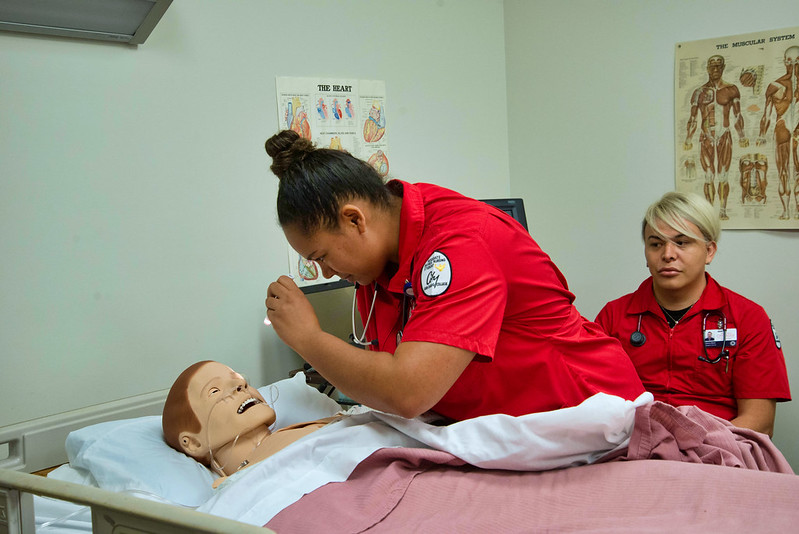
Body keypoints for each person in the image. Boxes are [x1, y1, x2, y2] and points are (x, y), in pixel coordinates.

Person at [263, 129, 645, 423]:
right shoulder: (378, 266)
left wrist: (309, 340)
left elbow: (406, 391)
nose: (327, 272)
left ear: (354, 219)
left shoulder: (461, 243)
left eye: (322, 257)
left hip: (586, 410)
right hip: (497, 422)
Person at [595, 192, 791, 436]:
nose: (667, 254)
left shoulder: (748, 318)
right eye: (656, 244)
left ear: (709, 251)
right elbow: (596, 403)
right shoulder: (614, 316)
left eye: (682, 242)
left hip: (719, 448)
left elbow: (760, 422)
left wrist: (689, 444)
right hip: (634, 444)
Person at [162, 361, 338, 481]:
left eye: (237, 378)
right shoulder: (239, 495)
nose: (241, 383)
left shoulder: (319, 428)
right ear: (193, 443)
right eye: (214, 391)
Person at [683, 55, 749, 220]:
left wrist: (742, 136)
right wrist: (688, 139)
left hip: (724, 135)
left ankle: (723, 210)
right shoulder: (699, 92)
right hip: (705, 137)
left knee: (724, 175)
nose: (715, 70)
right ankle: (710, 214)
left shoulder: (731, 89)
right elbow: (693, 118)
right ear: (707, 68)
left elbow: (737, 115)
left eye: (718, 67)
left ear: (723, 67)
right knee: (708, 176)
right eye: (712, 67)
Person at [756, 45, 799, 220]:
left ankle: (796, 210)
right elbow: (767, 113)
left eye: (797, 61)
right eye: (790, 61)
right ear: (784, 62)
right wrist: (761, 134)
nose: (793, 65)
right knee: (783, 171)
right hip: (781, 127)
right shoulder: (775, 85)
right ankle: (786, 210)